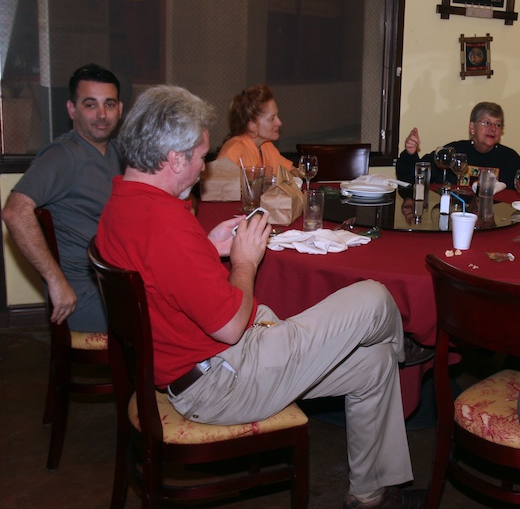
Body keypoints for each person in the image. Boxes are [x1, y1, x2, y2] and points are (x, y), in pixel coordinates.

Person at [96, 85, 424, 509]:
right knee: (376, 297)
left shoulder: (123, 203)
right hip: (221, 382)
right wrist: (245, 261)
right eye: (200, 156)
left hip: (205, 367)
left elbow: (164, 272)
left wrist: (206, 246)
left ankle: (369, 496)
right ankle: (407, 349)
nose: (204, 167)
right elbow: (231, 326)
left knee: (373, 363)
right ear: (173, 158)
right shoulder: (164, 225)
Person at [1, 64, 123, 333]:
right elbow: (14, 211)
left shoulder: (118, 152)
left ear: (120, 109)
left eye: (109, 104)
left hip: (114, 283)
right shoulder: (63, 155)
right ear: (72, 109)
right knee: (174, 316)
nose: (102, 114)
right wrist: (55, 281)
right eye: (90, 105)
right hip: (83, 297)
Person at [396, 101, 520, 189]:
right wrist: (410, 153)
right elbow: (411, 177)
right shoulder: (453, 152)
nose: (492, 128)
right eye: (486, 122)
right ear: (472, 127)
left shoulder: (509, 158)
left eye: (498, 124)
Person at [216, 84, 296, 172]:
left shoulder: (266, 146)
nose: (279, 123)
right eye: (271, 119)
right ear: (252, 126)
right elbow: (217, 183)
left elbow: (294, 171)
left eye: (277, 116)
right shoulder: (234, 150)